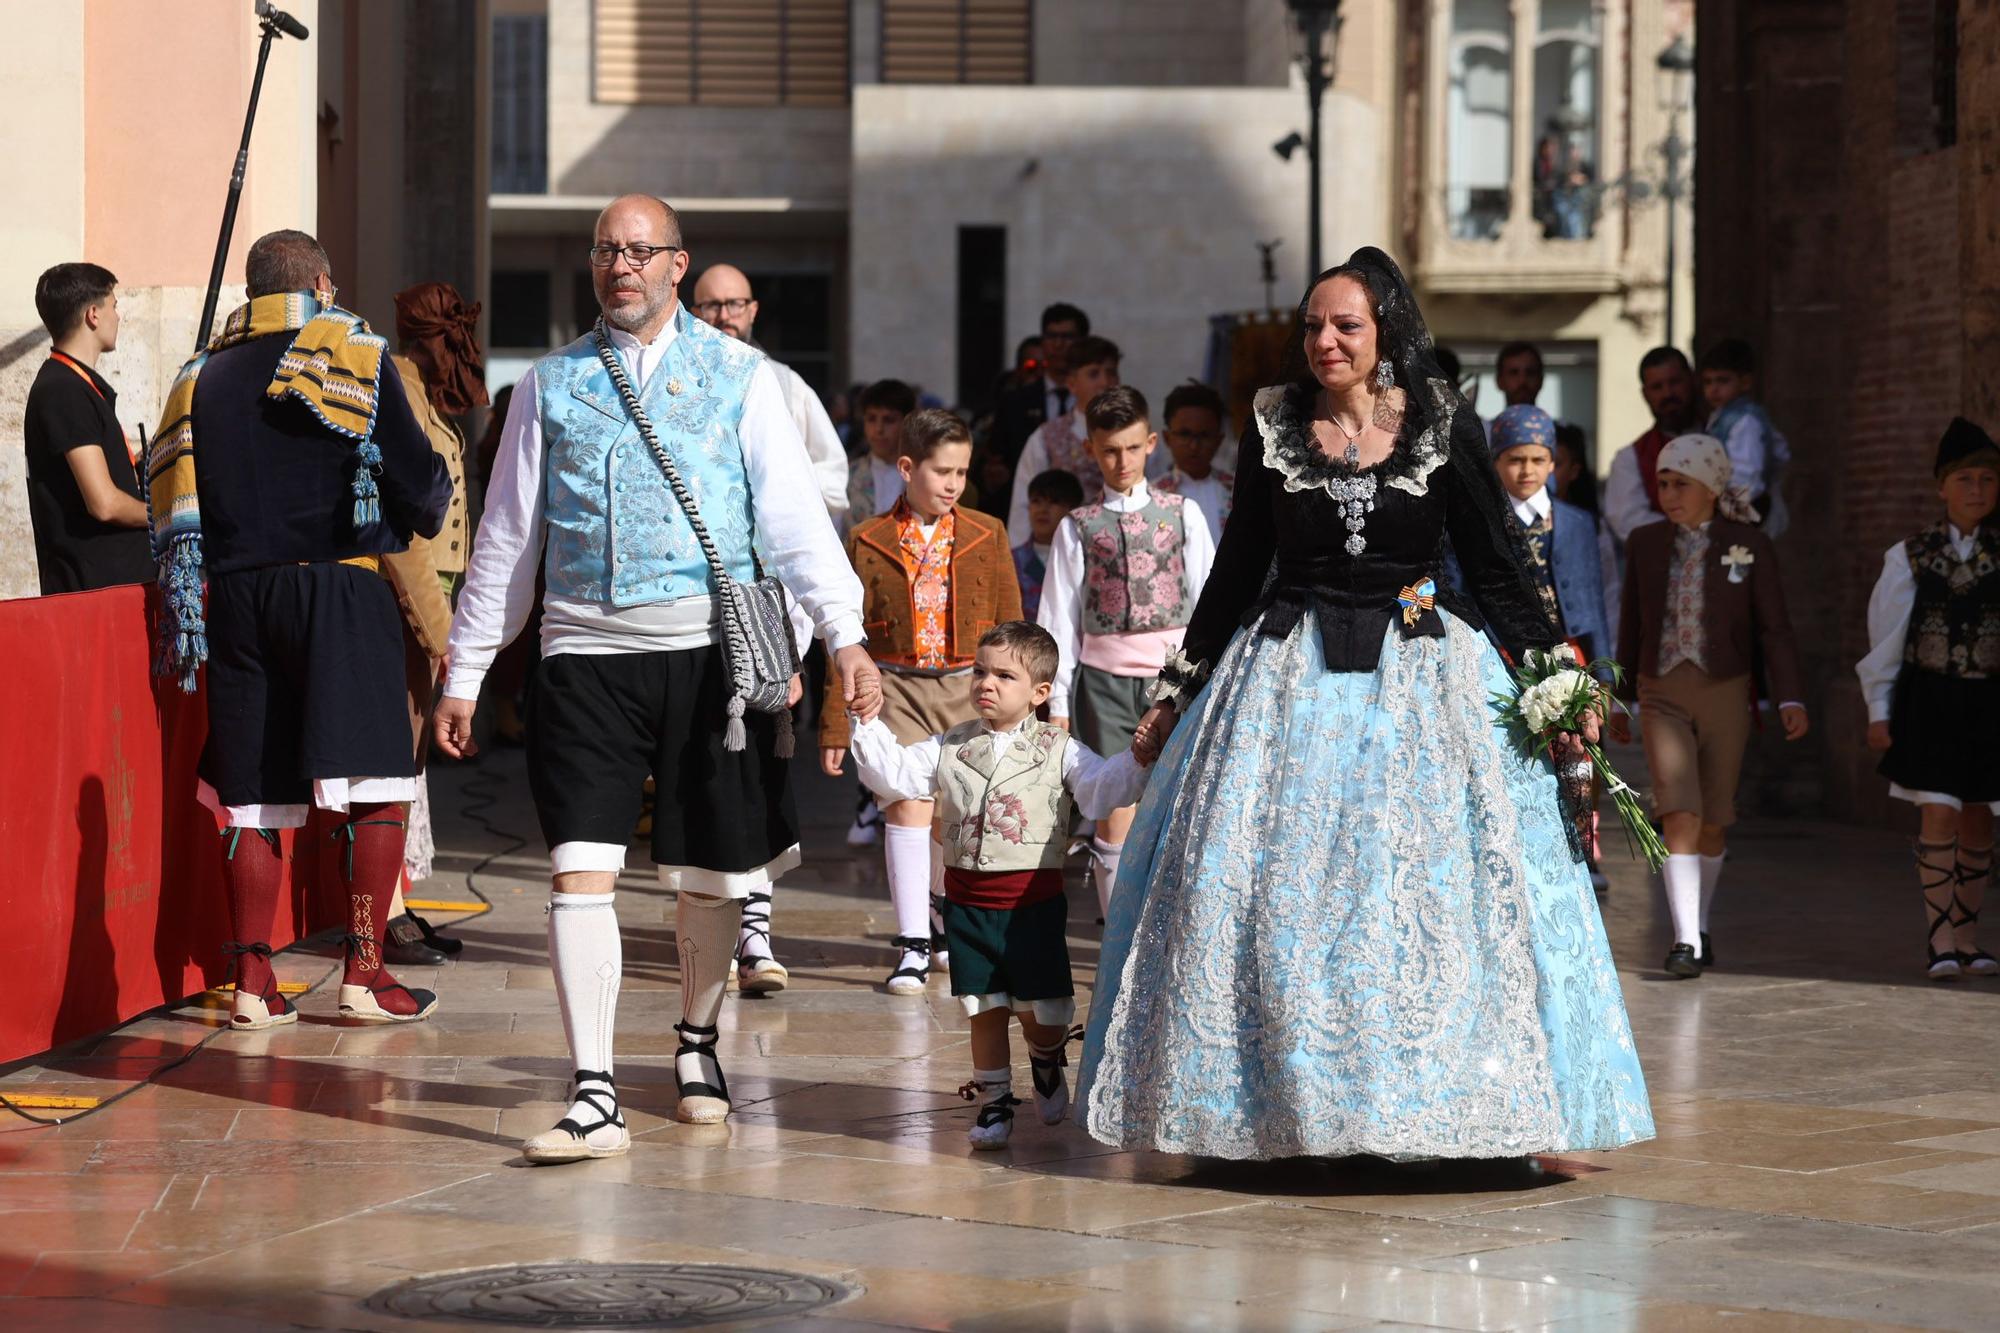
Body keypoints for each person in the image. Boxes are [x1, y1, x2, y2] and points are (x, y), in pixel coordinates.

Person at [1077, 248, 1654, 1161]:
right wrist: (1177, 690)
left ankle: (1500, 1108)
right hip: (1289, 672)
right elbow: (1235, 571)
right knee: (1275, 888)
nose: (1325, 341)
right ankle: (1264, 1109)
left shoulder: (1440, 424)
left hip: (1426, 671)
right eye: (1312, 326)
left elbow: (1498, 563)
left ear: (1385, 331)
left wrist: (1556, 672)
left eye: (1345, 325)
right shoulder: (1275, 426)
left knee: (1439, 885)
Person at [433, 195, 877, 1161]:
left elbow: (795, 520)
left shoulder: (746, 379)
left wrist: (843, 637)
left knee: (713, 875)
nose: (620, 265)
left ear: (679, 264)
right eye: (605, 251)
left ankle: (695, 1039)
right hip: (583, 650)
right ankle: (593, 1089)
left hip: (708, 655)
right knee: (576, 867)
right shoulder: (548, 387)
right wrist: (466, 667)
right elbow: (507, 538)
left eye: (640, 250)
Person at [147, 229, 450, 1030]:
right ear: (319, 280)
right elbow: (418, 487)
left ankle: (251, 981)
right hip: (339, 588)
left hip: (238, 597)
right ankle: (365, 969)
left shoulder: (200, 376)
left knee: (252, 794)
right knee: (379, 786)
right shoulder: (351, 351)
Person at [848, 621, 1148, 1148]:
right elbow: (894, 775)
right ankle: (994, 1103)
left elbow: (1103, 791)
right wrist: (869, 724)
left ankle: (1046, 1057)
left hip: (1032, 906)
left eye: (1004, 675)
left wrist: (1138, 757)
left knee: (1041, 1013)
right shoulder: (950, 745)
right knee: (983, 1010)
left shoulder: (1061, 750)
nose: (986, 683)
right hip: (967, 906)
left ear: (1039, 693)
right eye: (980, 671)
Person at [820, 409, 1022, 995]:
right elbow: (846, 634)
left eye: (962, 470)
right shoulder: (866, 538)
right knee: (906, 803)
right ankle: (911, 942)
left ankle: (941, 924)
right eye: (942, 471)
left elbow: (1011, 624)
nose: (954, 483)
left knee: (953, 817)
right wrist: (836, 722)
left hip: (968, 687)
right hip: (896, 687)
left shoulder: (988, 532)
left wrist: (1016, 705)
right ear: (907, 468)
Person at [1613, 434, 1807, 978]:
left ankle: (1698, 924)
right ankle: (1683, 941)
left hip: (1726, 689)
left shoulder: (1748, 544)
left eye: (1681, 484)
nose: (1669, 493)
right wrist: (1621, 698)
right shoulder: (1646, 543)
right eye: (1664, 483)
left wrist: (1788, 694)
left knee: (1715, 820)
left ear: (1712, 487)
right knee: (1679, 808)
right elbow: (1632, 625)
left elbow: (1775, 629)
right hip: (1661, 689)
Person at [1037, 386, 1215, 923]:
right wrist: (1059, 701)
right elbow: (1059, 619)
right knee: (1116, 809)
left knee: (1179, 808)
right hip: (1104, 684)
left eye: (1132, 448)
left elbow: (1209, 599)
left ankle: (1166, 933)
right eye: (1110, 450)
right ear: (1092, 449)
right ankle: (1118, 941)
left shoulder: (1183, 514)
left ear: (1151, 445)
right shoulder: (1077, 526)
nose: (1121, 461)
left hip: (1175, 680)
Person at [1856, 418, 2000, 980]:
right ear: (1942, 487)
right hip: (1931, 701)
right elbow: (1886, 640)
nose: (1977, 489)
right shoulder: (1910, 556)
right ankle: (1940, 939)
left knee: (1979, 821)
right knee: (1936, 813)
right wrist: (1878, 711)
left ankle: (1968, 937)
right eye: (1965, 478)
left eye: (1988, 479)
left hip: (1991, 705)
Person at [379, 280, 486, 964]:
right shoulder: (395, 388)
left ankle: (396, 900)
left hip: (439, 594)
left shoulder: (427, 399)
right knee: (390, 763)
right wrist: (441, 629)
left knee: (408, 762)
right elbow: (409, 525)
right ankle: (380, 912)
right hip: (407, 600)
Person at [24, 262, 154, 595]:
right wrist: (169, 516)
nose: (118, 316)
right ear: (93, 315)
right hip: (96, 593)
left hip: (110, 587)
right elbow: (104, 503)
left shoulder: (74, 385)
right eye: (114, 305)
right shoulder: (63, 390)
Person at [690, 262, 849, 529]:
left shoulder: (786, 383)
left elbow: (832, 475)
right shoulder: (678, 381)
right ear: (696, 314)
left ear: (752, 311)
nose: (724, 315)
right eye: (712, 306)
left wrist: (780, 487)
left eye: (735, 304)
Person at [1004, 335, 1123, 546]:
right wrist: (1021, 563)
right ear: (1072, 383)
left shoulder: (1133, 437)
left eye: (1111, 373)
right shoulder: (1046, 437)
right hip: (1061, 552)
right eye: (1094, 374)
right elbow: (1023, 504)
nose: (1105, 382)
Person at [1603, 348, 1700, 545]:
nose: (1668, 393)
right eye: (1657, 387)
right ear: (1646, 394)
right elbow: (1629, 522)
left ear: (1692, 380)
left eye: (1674, 382)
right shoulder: (1630, 459)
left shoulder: (1729, 438)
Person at [1699, 337, 1791, 537]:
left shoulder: (1745, 422)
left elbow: (1747, 476)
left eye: (1723, 380)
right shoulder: (1721, 418)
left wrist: (1727, 513)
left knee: (1739, 565)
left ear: (1745, 382)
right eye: (1708, 382)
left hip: (1743, 513)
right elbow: (1781, 451)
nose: (1714, 389)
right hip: (1730, 509)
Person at [991, 302, 1089, 465]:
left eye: (1067, 337)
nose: (1058, 345)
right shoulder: (1014, 403)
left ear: (1083, 342)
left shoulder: (1096, 402)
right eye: (1051, 336)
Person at [1152, 380, 1235, 543]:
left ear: (1219, 440)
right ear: (1167, 438)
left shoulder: (1238, 489)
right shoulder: (1151, 495)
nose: (1194, 445)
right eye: (1184, 434)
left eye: (1204, 435)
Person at [1014, 468, 1084, 620]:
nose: (1043, 510)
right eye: (1036, 501)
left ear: (1073, 509)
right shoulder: (1011, 561)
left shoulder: (1086, 558)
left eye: (1054, 502)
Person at [846, 379, 916, 527]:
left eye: (889, 420)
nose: (878, 429)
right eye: (871, 419)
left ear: (907, 422)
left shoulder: (923, 476)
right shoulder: (847, 476)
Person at [1552, 421, 1600, 515]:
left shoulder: (1584, 522)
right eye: (1539, 461)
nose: (1546, 470)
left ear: (1574, 471)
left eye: (1556, 464)